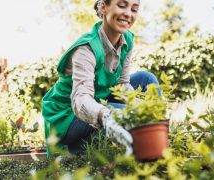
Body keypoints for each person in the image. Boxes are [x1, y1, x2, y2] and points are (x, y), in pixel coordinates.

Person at [42, 0, 160, 157]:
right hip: (67, 115)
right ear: (104, 7)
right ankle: (73, 149)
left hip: (98, 99)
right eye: (122, 5)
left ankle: (160, 136)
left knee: (146, 79)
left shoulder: (127, 40)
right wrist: (107, 115)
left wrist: (142, 108)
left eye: (134, 9)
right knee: (127, 115)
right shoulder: (86, 49)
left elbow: (122, 84)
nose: (128, 14)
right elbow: (81, 100)